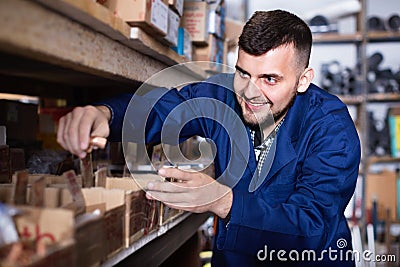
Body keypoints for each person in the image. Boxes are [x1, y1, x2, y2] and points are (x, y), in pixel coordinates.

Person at [57, 10, 360, 266]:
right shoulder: (224, 94)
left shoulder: (331, 128)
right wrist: (106, 114)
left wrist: (223, 201)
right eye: (243, 73)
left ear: (303, 79)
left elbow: (310, 228)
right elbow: (164, 109)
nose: (250, 93)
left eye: (269, 79)